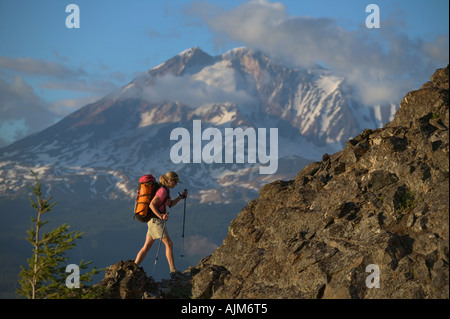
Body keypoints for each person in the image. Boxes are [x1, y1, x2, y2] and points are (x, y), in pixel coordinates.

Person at [134, 171, 188, 276]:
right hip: (156, 222)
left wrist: (181, 196)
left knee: (146, 247)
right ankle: (173, 271)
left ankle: (134, 267)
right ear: (170, 180)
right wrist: (161, 216)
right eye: (175, 182)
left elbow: (170, 204)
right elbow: (151, 205)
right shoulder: (162, 191)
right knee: (169, 244)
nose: (176, 184)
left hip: (153, 221)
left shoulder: (165, 190)